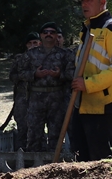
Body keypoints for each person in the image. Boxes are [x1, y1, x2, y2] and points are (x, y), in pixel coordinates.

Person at [69, 0, 112, 161]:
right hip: (85, 105)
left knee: (104, 163)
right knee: (83, 161)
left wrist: (88, 84)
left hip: (106, 107)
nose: (84, 3)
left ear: (103, 2)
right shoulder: (87, 30)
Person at [22, 22, 75, 152]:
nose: (48, 34)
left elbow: (73, 74)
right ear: (41, 35)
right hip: (36, 98)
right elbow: (19, 74)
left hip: (57, 98)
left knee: (56, 134)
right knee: (34, 134)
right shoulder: (30, 54)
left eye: (52, 32)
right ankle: (34, 168)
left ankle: (53, 166)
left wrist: (59, 75)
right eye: (45, 32)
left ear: (57, 36)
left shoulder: (65, 54)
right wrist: (34, 74)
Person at [9, 32, 41, 148]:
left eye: (35, 42)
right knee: (22, 128)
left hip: (40, 98)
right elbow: (12, 76)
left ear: (39, 43)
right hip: (23, 98)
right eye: (30, 43)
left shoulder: (45, 58)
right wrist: (30, 75)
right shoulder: (20, 59)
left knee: (38, 130)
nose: (33, 45)